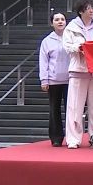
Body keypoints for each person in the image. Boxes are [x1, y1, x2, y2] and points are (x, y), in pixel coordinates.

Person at [62, 0, 93, 149]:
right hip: (78, 70)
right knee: (75, 107)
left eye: (92, 8)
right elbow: (67, 46)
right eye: (88, 8)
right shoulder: (71, 28)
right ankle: (73, 139)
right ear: (81, 11)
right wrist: (80, 47)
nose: (91, 10)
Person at [39, 12, 69, 147]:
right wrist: (44, 80)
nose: (60, 22)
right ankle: (56, 137)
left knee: (71, 109)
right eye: (57, 20)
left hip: (70, 79)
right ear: (52, 23)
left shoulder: (71, 38)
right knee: (54, 109)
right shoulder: (47, 41)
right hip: (53, 80)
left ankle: (72, 137)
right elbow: (43, 62)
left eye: (62, 19)